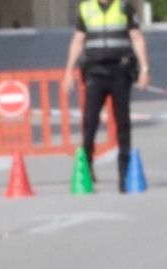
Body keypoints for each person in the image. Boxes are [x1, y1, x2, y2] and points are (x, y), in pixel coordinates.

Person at [63, 0, 150, 188]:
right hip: (95, 71)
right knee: (90, 121)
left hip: (120, 70)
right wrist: (68, 71)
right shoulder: (86, 8)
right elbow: (78, 40)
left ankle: (124, 173)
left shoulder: (123, 6)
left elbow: (137, 37)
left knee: (122, 122)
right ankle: (87, 167)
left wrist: (144, 69)